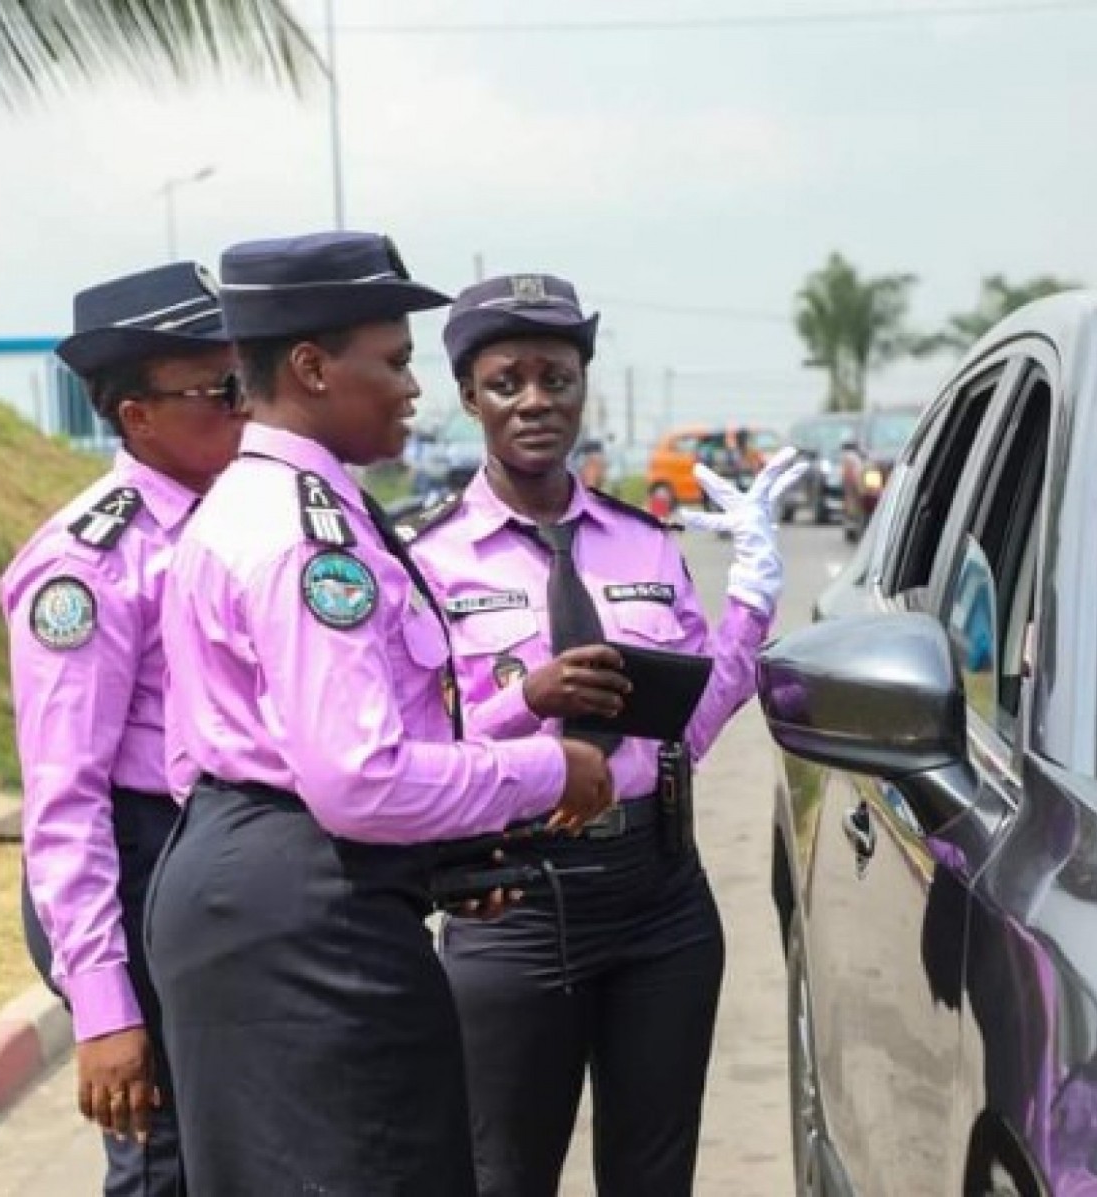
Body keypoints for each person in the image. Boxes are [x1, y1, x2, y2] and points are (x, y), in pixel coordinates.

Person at [142, 234, 616, 1196]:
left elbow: (249, 751)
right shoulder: (304, 536)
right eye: (394, 361)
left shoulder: (262, 501)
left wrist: (423, 857)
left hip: (259, 881)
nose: (413, 388)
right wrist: (550, 769)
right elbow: (358, 775)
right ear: (312, 368)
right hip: (310, 923)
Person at [404, 272, 806, 1197]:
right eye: (507, 382)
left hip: (658, 897)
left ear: (585, 385)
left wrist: (751, 601)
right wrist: (527, 701)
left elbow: (691, 726)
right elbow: (413, 748)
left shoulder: (643, 540)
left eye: (558, 377)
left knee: (653, 1177)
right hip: (511, 902)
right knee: (503, 1175)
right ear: (469, 396)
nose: (536, 402)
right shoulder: (423, 559)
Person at [0, 260, 246, 1196]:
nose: (244, 406)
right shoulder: (90, 564)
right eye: (220, 389)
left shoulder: (236, 519)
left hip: (214, 861)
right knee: (165, 1161)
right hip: (136, 867)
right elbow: (65, 796)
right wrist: (105, 1009)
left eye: (244, 380)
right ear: (138, 415)